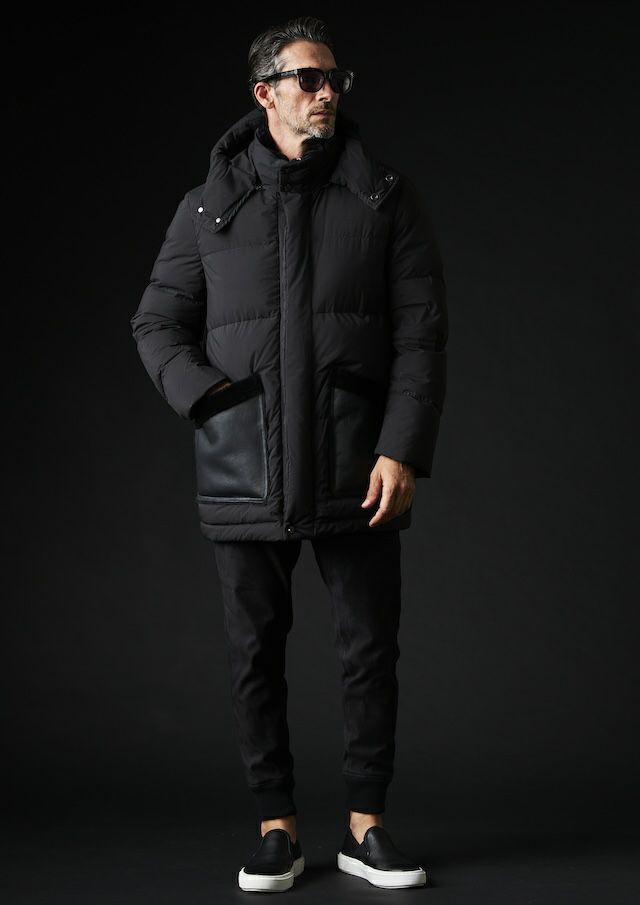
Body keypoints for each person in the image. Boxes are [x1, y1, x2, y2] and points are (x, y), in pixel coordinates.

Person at [130, 15, 448, 893]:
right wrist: (212, 404)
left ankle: (366, 827)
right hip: (247, 469)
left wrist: (401, 449)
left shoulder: (384, 198)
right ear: (264, 92)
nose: (326, 92)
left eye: (335, 78)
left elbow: (422, 337)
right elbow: (156, 322)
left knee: (368, 649)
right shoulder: (208, 209)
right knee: (254, 654)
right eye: (309, 78)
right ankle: (277, 827)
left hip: (356, 464)